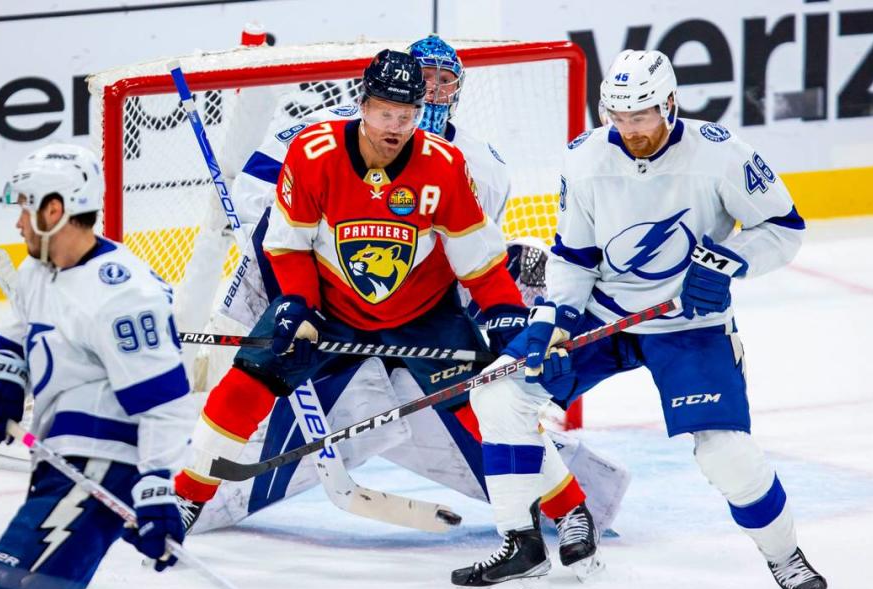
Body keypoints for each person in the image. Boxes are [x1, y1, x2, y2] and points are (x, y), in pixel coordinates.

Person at [177, 37, 626, 548]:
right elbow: (288, 245)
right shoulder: (314, 152)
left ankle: (570, 511)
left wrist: (505, 316)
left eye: (407, 113)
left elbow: (478, 262)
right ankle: (188, 495)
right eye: (386, 112)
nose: (396, 125)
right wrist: (299, 306)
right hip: (330, 307)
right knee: (249, 377)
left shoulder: (446, 165)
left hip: (425, 311)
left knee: (493, 406)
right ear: (363, 104)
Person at [455, 49, 827, 589]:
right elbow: (574, 255)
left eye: (642, 118)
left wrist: (725, 263)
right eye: (619, 118)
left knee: (725, 452)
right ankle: (522, 544)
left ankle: (784, 553)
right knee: (498, 391)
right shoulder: (584, 160)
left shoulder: (721, 154)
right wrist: (553, 320)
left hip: (691, 325)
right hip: (604, 316)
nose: (630, 132)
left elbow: (784, 228)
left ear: (670, 105)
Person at [0, 143, 195, 589]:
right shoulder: (39, 270)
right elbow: (21, 331)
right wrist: (0, 369)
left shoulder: (124, 295)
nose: (18, 223)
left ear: (54, 209)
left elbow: (165, 401)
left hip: (98, 468)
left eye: (26, 207)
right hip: (61, 462)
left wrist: (155, 487)